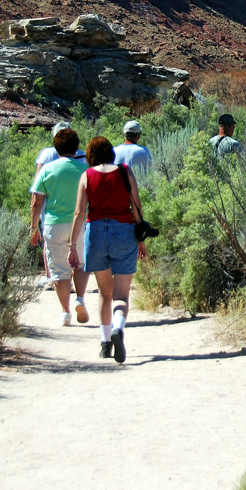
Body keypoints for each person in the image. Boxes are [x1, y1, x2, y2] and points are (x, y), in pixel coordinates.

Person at [69, 136, 148, 363]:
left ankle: (105, 344)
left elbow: (79, 213)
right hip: (123, 231)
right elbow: (136, 206)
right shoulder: (125, 171)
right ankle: (118, 328)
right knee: (121, 294)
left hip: (95, 233)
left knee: (104, 291)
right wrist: (140, 238)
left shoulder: (87, 175)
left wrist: (72, 246)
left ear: (91, 155)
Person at [28, 128, 90, 326]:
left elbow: (36, 201)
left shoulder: (48, 169)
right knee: (80, 264)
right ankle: (80, 298)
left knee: (59, 270)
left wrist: (33, 227)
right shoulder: (85, 170)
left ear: (56, 147)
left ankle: (65, 312)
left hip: (54, 224)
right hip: (79, 224)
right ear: (76, 147)